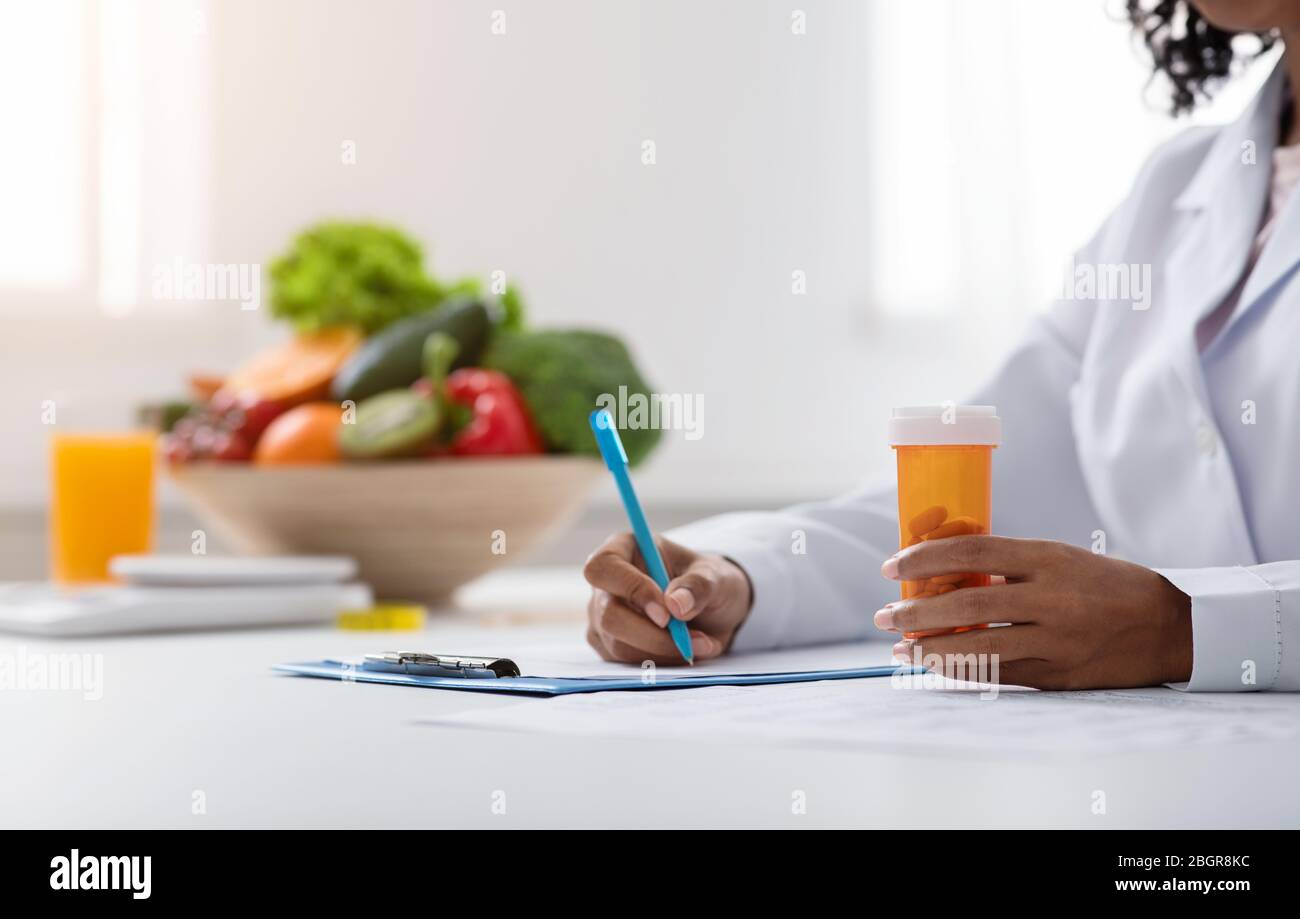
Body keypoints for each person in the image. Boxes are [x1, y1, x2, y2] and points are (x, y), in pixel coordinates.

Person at [582, 0, 1300, 692]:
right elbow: (959, 515)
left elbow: (1180, 622)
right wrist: (737, 575)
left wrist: (1183, 626)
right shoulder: (1169, 193)